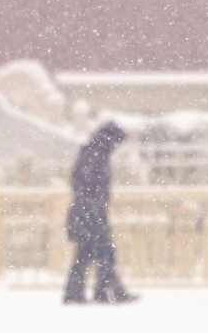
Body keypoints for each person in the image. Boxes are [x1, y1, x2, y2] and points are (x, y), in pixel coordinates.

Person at [63, 120, 137, 304]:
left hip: (86, 212)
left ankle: (82, 293)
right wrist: (95, 206)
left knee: (87, 253)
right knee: (103, 252)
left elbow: (80, 182)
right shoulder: (95, 155)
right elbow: (85, 185)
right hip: (89, 213)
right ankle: (105, 291)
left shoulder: (92, 152)